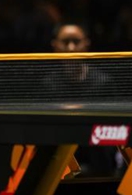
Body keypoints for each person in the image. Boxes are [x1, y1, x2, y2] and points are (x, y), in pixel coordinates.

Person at [43, 21, 124, 176]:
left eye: (76, 41)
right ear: (55, 46)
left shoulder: (103, 82)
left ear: (86, 44)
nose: (71, 48)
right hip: (59, 167)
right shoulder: (48, 85)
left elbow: (114, 129)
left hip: (100, 164)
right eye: (65, 42)